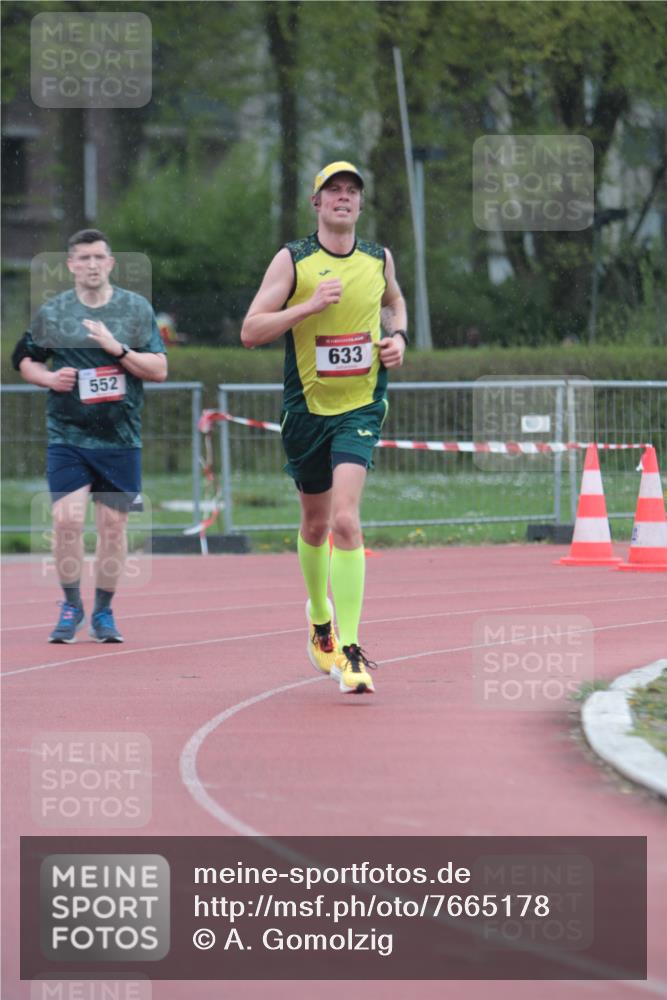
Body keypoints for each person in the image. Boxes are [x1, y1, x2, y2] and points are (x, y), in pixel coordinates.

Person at [241, 161, 407, 694]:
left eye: (351, 191)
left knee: (345, 521)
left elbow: (394, 301)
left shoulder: (378, 258)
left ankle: (351, 651)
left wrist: (398, 337)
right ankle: (319, 617)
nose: (343, 197)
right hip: (307, 411)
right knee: (314, 525)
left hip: (360, 406)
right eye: (333, 190)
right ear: (316, 202)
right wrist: (307, 307)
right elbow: (251, 330)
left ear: (360, 203)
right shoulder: (293, 260)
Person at [12, 228, 167, 643]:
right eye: (84, 258)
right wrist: (48, 378)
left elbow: (159, 369)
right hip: (69, 435)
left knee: (113, 527)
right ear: (71, 265)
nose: (92, 265)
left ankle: (103, 611)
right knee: (66, 521)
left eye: (99, 257)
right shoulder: (55, 312)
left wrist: (118, 349)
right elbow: (23, 359)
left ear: (111, 263)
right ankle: (70, 605)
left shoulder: (135, 310)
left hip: (120, 438)